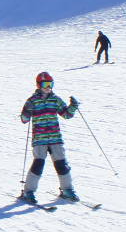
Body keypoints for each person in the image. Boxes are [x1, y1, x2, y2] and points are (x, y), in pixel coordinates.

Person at [19, 71, 80, 203]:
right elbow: (24, 120)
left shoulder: (55, 99)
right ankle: (28, 191)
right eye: (45, 84)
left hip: (55, 138)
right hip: (40, 140)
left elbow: (66, 115)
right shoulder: (32, 101)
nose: (48, 87)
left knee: (62, 164)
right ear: (39, 85)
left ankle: (67, 189)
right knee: (38, 165)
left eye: (51, 84)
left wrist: (73, 107)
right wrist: (27, 110)